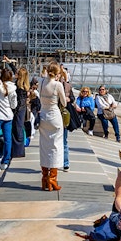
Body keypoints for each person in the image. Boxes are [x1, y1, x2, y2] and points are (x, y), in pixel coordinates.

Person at [38, 61, 67, 191]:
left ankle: (44, 178)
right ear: (57, 73)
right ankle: (52, 179)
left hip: (43, 116)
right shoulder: (58, 85)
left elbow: (39, 99)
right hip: (54, 116)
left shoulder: (42, 81)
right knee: (56, 146)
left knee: (44, 146)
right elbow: (64, 103)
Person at [59, 65, 76, 170]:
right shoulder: (54, 85)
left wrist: (68, 99)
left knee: (64, 140)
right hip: (56, 114)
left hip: (64, 115)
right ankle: (58, 162)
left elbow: (73, 98)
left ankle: (65, 162)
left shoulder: (68, 86)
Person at [11, 66, 30, 157]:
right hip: (21, 109)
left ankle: (18, 151)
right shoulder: (23, 85)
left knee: (17, 129)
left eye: (17, 74)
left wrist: (14, 110)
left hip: (19, 110)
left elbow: (20, 102)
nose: (15, 74)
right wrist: (9, 63)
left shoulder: (20, 88)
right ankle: (17, 150)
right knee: (17, 129)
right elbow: (16, 70)